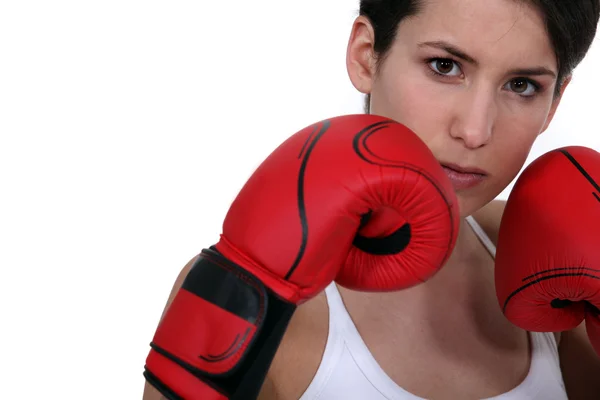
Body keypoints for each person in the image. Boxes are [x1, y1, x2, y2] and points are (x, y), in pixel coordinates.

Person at [142, 0, 600, 398]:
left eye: (522, 85)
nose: (475, 131)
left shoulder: (555, 268)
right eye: (445, 65)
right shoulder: (255, 286)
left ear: (555, 101)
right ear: (366, 56)